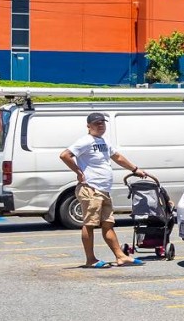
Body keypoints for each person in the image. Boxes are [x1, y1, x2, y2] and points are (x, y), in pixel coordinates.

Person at [59, 112, 151, 269]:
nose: (100, 125)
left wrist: (135, 169)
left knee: (108, 224)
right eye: (96, 123)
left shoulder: (104, 141)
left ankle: (121, 257)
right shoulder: (85, 141)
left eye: (102, 122)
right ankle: (90, 260)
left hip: (104, 190)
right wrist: (79, 172)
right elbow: (64, 155)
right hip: (91, 189)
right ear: (89, 126)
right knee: (90, 224)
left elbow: (117, 157)